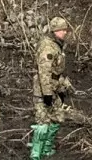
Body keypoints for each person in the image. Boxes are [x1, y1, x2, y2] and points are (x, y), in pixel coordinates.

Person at [31, 17, 73, 160]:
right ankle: (36, 154)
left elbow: (57, 72)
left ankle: (47, 149)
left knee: (58, 117)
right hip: (44, 89)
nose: (65, 33)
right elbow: (44, 72)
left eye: (65, 30)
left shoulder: (57, 45)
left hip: (55, 86)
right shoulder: (47, 47)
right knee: (43, 122)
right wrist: (47, 94)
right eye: (62, 30)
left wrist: (60, 90)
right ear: (55, 31)